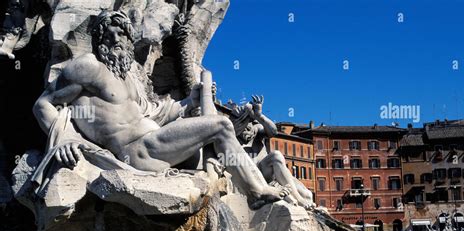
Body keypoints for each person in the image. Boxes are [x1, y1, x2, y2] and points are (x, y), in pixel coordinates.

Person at [33, 10, 289, 205]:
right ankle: (256, 192)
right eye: (107, 31)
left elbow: (155, 113)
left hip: (154, 144)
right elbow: (43, 104)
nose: (114, 36)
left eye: (121, 32)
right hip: (136, 152)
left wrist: (191, 101)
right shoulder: (88, 66)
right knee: (221, 125)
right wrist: (63, 139)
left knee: (209, 138)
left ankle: (244, 188)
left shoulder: (128, 78)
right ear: (97, 39)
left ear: (128, 40)